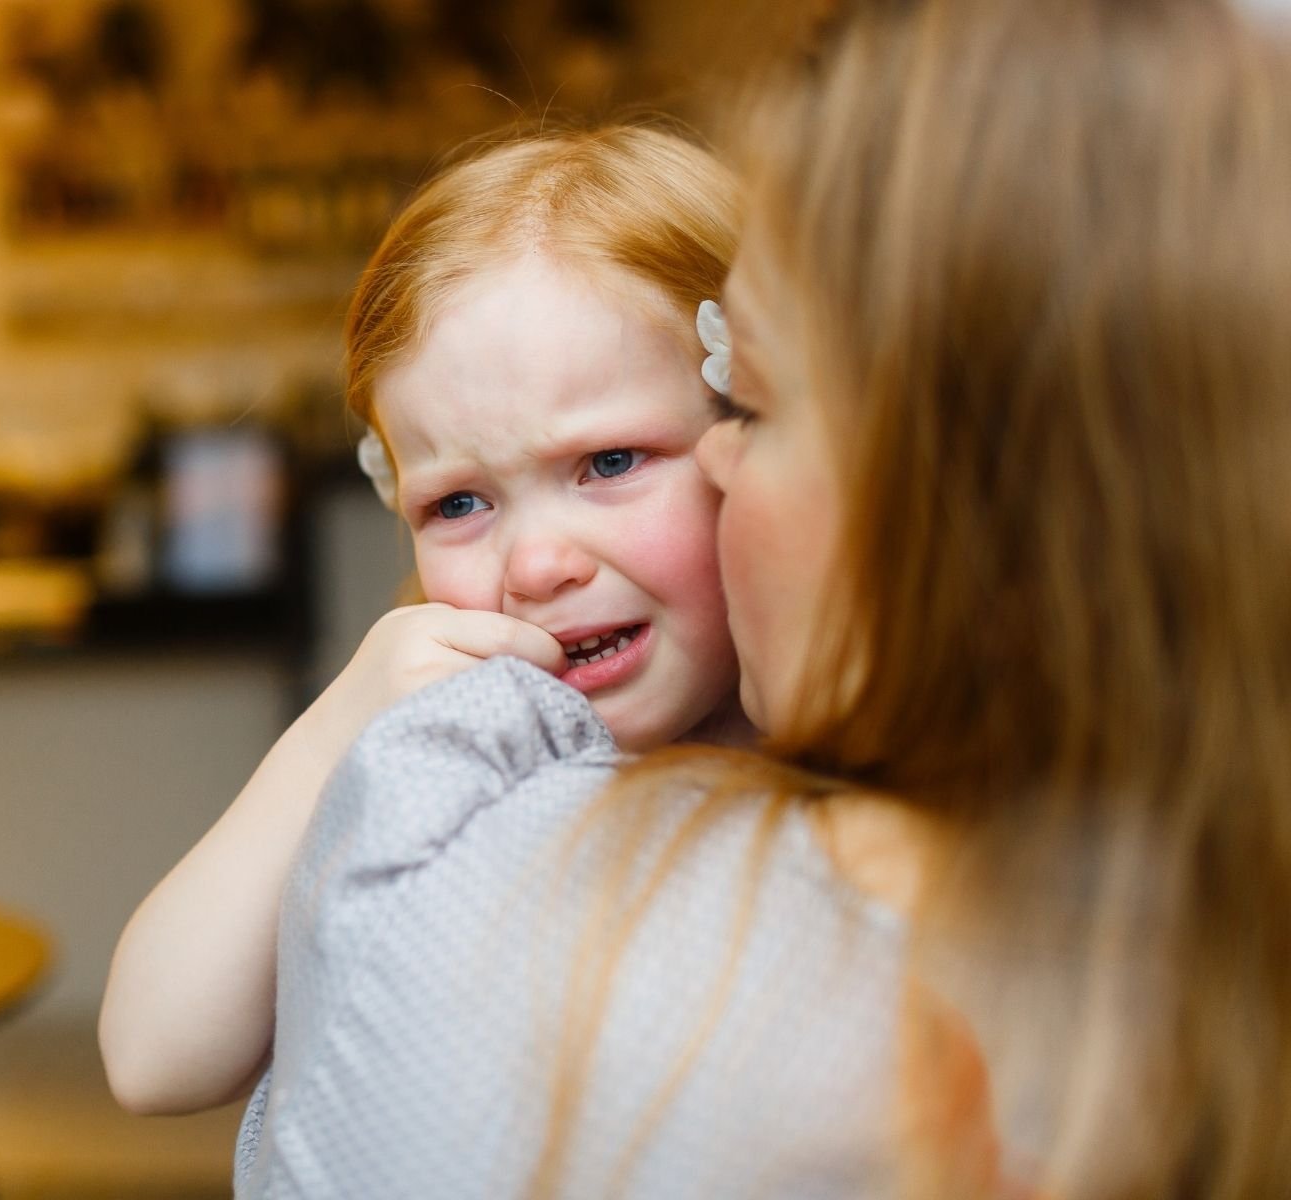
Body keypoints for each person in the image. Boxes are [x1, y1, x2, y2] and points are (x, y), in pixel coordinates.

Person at [233, 0, 1291, 1196]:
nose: (722, 463)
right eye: (456, 503)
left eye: (753, 406)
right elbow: (156, 1040)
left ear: (981, 505)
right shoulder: (1193, 940)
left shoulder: (468, 899)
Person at [100, 125, 753, 1117]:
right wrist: (333, 733)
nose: (536, 565)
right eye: (458, 505)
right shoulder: (454, 753)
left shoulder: (859, 738)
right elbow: (152, 1059)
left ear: (754, 424)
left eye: (609, 463)